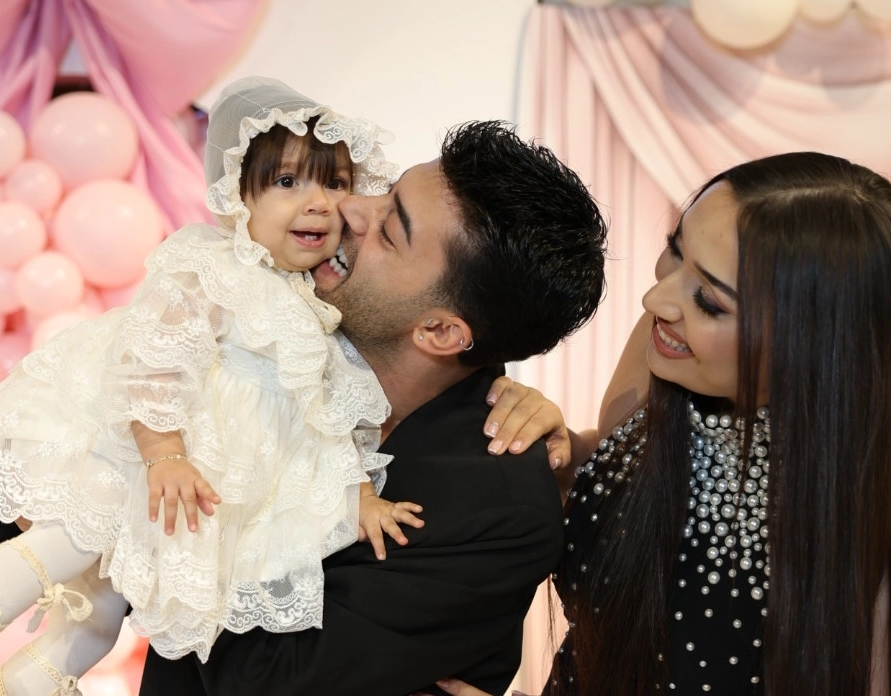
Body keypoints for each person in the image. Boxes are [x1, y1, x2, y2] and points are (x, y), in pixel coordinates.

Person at [433, 152, 891, 696]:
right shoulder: (666, 346)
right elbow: (620, 479)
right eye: (675, 249)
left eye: (710, 301)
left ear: (813, 346)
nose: (656, 297)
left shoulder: (849, 534)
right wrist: (560, 452)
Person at [0, 76, 432, 694]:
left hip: (195, 495)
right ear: (237, 195)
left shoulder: (321, 305)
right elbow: (154, 358)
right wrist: (163, 452)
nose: (319, 202)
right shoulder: (215, 266)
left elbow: (323, 420)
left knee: (99, 620)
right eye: (287, 182)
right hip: (135, 458)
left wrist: (356, 496)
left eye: (336, 183)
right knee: (57, 550)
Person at [130, 119, 609, 696]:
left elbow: (264, 679)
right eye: (385, 192)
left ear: (439, 331)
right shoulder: (255, 338)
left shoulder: (500, 513)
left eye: (390, 230)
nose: (351, 207)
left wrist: (167, 525)